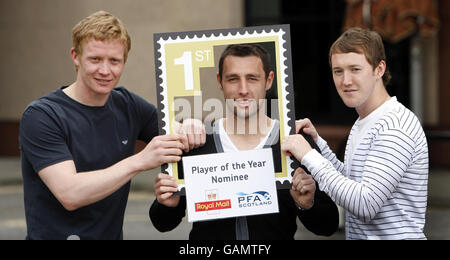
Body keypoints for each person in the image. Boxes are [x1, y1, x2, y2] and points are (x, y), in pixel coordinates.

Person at [19, 10, 205, 240]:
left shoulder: (128, 105)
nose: (105, 71)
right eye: (95, 59)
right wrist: (139, 161)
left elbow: (176, 132)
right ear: (75, 57)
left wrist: (190, 124)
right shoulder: (43, 115)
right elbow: (70, 193)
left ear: (124, 61)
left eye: (114, 61)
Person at [149, 44, 339, 240]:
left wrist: (307, 204)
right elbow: (162, 223)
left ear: (269, 80)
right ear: (219, 81)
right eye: (233, 79)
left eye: (252, 78)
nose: (243, 90)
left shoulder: (295, 143)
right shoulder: (197, 143)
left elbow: (328, 224)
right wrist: (166, 205)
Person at [281, 28, 429, 240]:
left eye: (355, 69)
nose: (345, 81)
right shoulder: (365, 121)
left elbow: (365, 203)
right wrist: (319, 144)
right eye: (338, 71)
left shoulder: (394, 125)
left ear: (379, 69)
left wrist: (308, 156)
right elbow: (352, 183)